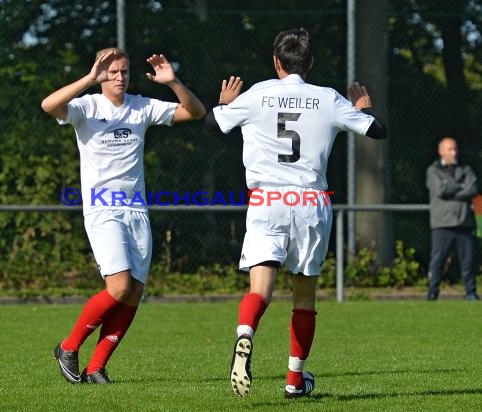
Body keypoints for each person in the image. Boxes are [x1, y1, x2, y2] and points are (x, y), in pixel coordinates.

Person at [204, 28, 387, 398]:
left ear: (276, 62)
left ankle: (245, 336)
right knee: (304, 295)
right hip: (309, 202)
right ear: (311, 62)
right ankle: (294, 380)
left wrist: (223, 105)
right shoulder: (328, 99)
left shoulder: (257, 95)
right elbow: (378, 131)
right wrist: (363, 110)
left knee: (261, 288)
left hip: (266, 200)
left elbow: (211, 124)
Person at [41, 48, 206, 384]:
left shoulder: (141, 106)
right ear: (101, 73)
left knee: (134, 292)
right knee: (118, 287)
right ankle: (69, 347)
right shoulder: (87, 106)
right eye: (112, 71)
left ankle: (98, 366)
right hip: (103, 208)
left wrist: (173, 82)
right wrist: (89, 78)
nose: (119, 77)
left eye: (124, 71)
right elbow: (48, 105)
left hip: (136, 211)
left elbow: (196, 112)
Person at [426, 137, 479, 301]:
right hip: (442, 224)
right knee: (438, 261)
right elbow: (440, 190)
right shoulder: (433, 170)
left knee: (468, 261)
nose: (454, 152)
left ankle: (471, 293)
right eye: (450, 149)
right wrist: (461, 187)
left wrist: (453, 190)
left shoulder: (466, 169)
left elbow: (473, 188)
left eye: (455, 149)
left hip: (464, 222)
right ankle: (433, 293)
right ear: (441, 151)